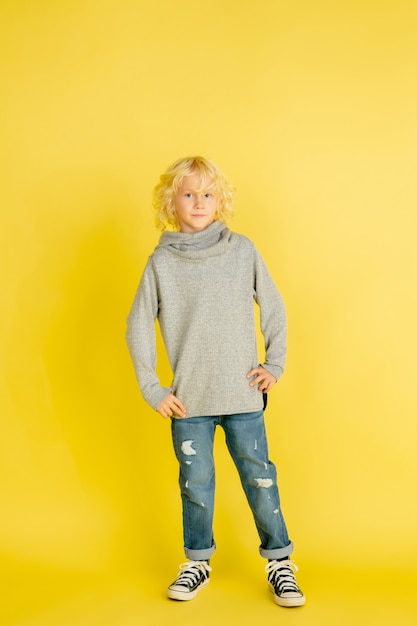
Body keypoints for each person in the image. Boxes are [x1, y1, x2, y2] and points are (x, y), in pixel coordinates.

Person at [126, 156, 305, 608]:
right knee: (196, 485)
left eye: (208, 194)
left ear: (220, 200)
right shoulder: (161, 262)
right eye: (189, 193)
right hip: (189, 403)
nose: (199, 202)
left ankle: (280, 563)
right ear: (171, 202)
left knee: (260, 478)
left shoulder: (242, 250)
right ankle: (198, 561)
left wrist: (275, 364)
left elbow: (276, 308)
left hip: (243, 394)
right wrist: (153, 388)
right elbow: (137, 325)